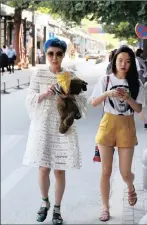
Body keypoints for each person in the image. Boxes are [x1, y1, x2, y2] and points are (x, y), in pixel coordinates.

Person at [23, 37, 88, 224]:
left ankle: (57, 210)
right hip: (42, 125)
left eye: (58, 54)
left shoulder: (70, 75)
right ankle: (44, 203)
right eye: (51, 53)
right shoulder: (38, 75)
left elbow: (83, 104)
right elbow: (29, 100)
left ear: (63, 55)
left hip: (63, 127)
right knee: (43, 168)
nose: (54, 57)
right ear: (46, 54)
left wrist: (70, 96)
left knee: (59, 170)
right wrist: (45, 93)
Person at [91, 46, 143, 221]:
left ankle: (130, 186)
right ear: (114, 61)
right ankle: (105, 207)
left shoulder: (136, 83)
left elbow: (138, 108)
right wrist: (107, 93)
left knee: (125, 172)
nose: (124, 64)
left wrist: (128, 98)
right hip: (108, 123)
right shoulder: (105, 80)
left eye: (128, 61)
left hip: (126, 125)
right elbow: (93, 103)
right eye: (120, 60)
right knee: (105, 170)